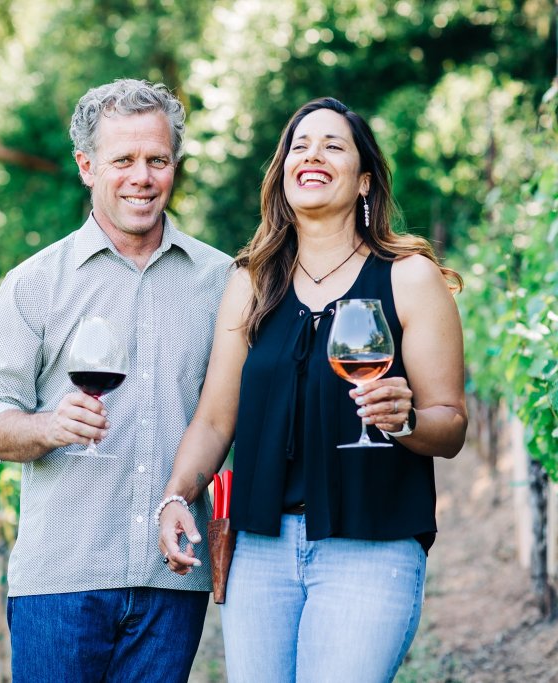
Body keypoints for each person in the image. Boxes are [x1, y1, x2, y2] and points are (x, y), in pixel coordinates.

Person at [157, 97, 466, 682]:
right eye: (300, 145)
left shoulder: (409, 276)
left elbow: (450, 424)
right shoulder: (251, 282)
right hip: (261, 548)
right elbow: (216, 420)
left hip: (373, 542)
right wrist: (177, 495)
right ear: (283, 174)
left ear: (365, 180)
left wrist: (404, 421)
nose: (312, 155)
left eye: (333, 145)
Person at [0, 79, 233, 682]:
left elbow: (229, 417)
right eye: (123, 161)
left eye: (157, 160)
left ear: (174, 166)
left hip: (172, 579)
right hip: (60, 584)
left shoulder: (221, 282)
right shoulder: (34, 285)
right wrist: (47, 426)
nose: (142, 176)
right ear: (87, 166)